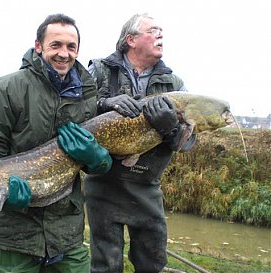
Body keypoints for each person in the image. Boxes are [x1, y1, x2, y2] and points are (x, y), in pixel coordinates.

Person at [0, 13, 112, 273]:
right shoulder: (7, 89)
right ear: (38, 46)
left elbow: (100, 162)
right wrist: (3, 188)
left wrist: (97, 158)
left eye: (71, 47)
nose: (64, 53)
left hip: (66, 234)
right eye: (55, 45)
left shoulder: (88, 98)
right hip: (12, 234)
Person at [84, 13, 196, 273]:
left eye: (161, 31)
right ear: (131, 40)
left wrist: (170, 129)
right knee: (105, 265)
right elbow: (75, 113)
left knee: (152, 263)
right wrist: (103, 104)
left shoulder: (175, 84)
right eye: (153, 30)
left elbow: (189, 143)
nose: (160, 35)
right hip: (102, 183)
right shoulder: (99, 70)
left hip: (147, 187)